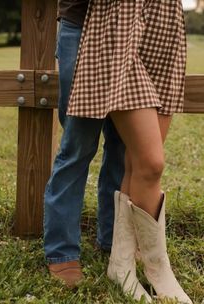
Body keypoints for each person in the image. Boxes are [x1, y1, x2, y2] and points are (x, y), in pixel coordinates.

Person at [64, 0, 193, 304]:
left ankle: (120, 266)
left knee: (135, 162)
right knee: (151, 163)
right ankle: (158, 269)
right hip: (117, 18)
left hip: (166, 19)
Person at [43, 0, 126, 287]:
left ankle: (112, 239)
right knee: (78, 145)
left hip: (130, 28)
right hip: (82, 23)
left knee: (122, 145)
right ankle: (61, 250)